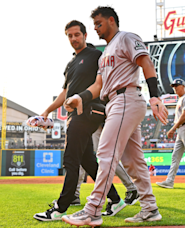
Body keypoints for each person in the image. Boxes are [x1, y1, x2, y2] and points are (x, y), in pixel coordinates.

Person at [62, 6, 168, 227]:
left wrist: (155, 96)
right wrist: (80, 97)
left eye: (99, 24)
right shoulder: (105, 54)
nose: (96, 29)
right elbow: (98, 85)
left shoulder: (126, 38)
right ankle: (150, 208)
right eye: (94, 25)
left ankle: (93, 210)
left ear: (112, 20)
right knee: (133, 162)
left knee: (106, 152)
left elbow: (145, 62)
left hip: (127, 97)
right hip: (115, 102)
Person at [33, 20, 125, 222]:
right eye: (70, 35)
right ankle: (115, 199)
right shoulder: (71, 64)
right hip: (74, 114)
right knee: (88, 162)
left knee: (70, 159)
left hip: (89, 111)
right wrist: (47, 110)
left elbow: (104, 83)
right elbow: (66, 91)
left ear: (85, 35)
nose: (73, 38)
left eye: (77, 34)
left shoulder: (95, 56)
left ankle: (60, 208)